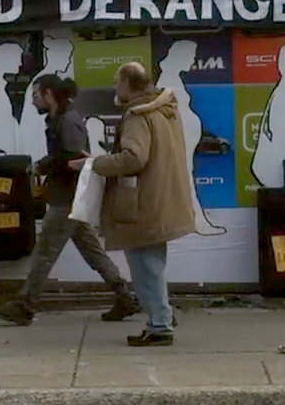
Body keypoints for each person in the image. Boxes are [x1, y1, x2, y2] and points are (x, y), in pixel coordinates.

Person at [0, 75, 138, 326]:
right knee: (93, 252)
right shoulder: (61, 119)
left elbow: (74, 159)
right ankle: (125, 297)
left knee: (44, 253)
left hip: (66, 201)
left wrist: (44, 166)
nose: (33, 101)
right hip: (71, 199)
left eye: (36, 95)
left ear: (50, 94)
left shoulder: (68, 122)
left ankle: (25, 305)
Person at [72, 62, 194, 347]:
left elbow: (134, 158)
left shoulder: (138, 116)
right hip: (160, 199)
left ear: (127, 84)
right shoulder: (164, 109)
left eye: (117, 82)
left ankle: (160, 325)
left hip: (143, 203)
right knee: (153, 265)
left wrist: (93, 164)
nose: (115, 87)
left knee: (145, 267)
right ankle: (160, 318)